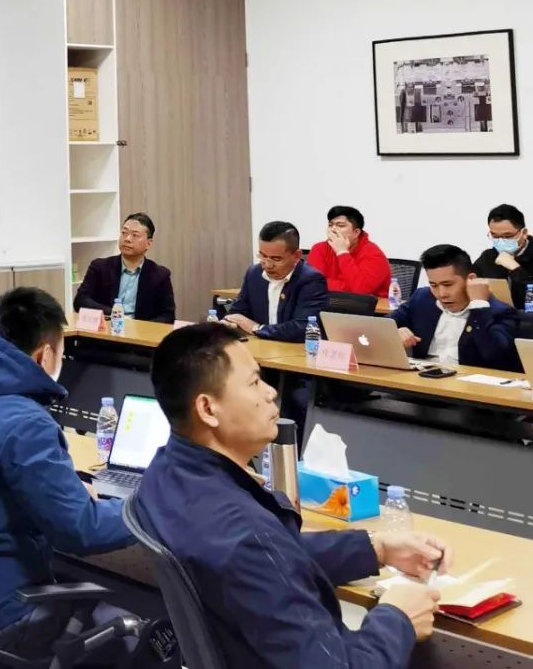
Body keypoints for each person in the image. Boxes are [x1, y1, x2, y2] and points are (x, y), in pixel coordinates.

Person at [139, 323, 452, 668]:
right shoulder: (246, 534)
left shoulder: (163, 474)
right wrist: (398, 617)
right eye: (254, 382)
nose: (271, 392)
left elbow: (272, 560)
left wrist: (375, 548)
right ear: (208, 409)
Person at [0, 287, 147, 665]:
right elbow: (81, 531)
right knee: (143, 637)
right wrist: (153, 506)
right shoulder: (23, 421)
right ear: (44, 354)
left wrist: (64, 489)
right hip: (2, 612)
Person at [390, 244, 519, 371]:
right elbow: (384, 325)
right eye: (434, 285)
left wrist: (478, 307)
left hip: (466, 380)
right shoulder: (422, 298)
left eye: (448, 285)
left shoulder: (500, 312)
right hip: (421, 376)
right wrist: (396, 332)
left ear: (471, 279)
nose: (442, 294)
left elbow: (494, 356)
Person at [224, 221, 327, 342]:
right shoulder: (254, 274)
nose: (267, 265)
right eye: (263, 256)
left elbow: (303, 328)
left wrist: (257, 328)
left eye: (276, 259)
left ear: (297, 256)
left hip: (293, 350)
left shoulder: (311, 280)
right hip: (259, 346)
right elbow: (238, 312)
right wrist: (229, 323)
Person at [73, 213, 177, 322]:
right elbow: (80, 300)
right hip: (107, 328)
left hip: (140, 331)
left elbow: (168, 316)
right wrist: (114, 314)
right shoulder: (100, 267)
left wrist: (140, 328)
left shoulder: (160, 275)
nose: (127, 239)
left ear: (148, 243)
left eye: (135, 235)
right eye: (124, 233)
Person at [307, 206, 392, 297]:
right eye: (330, 225)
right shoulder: (319, 249)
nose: (333, 229)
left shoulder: (374, 254)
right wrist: (349, 287)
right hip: (327, 303)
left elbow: (361, 291)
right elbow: (313, 284)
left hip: (370, 305)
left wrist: (342, 252)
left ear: (356, 232)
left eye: (340, 225)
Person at [472, 204, 533, 307]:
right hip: (496, 315)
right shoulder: (487, 257)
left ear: (524, 233)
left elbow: (531, 303)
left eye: (507, 236)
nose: (501, 241)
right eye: (495, 236)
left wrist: (516, 269)